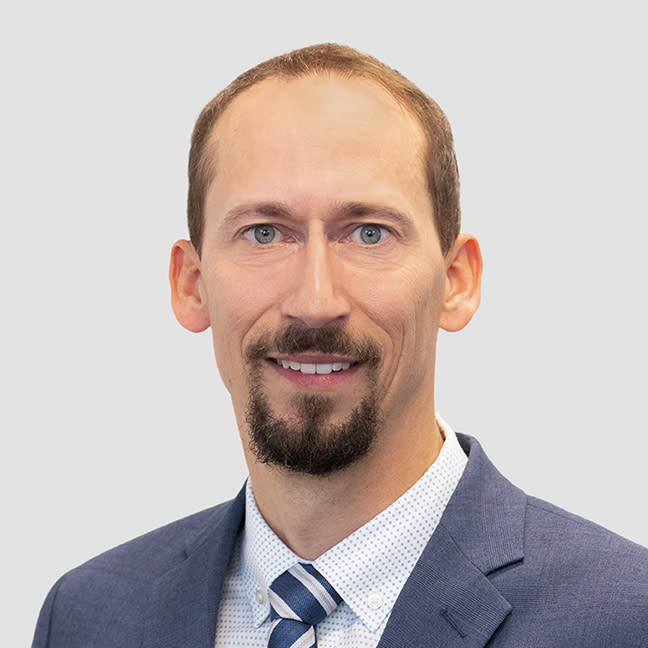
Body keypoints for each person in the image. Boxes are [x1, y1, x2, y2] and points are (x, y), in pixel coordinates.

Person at [32, 43, 647, 648]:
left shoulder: (628, 618)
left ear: (456, 281)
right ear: (191, 284)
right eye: (264, 233)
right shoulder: (86, 619)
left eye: (369, 233)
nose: (315, 300)